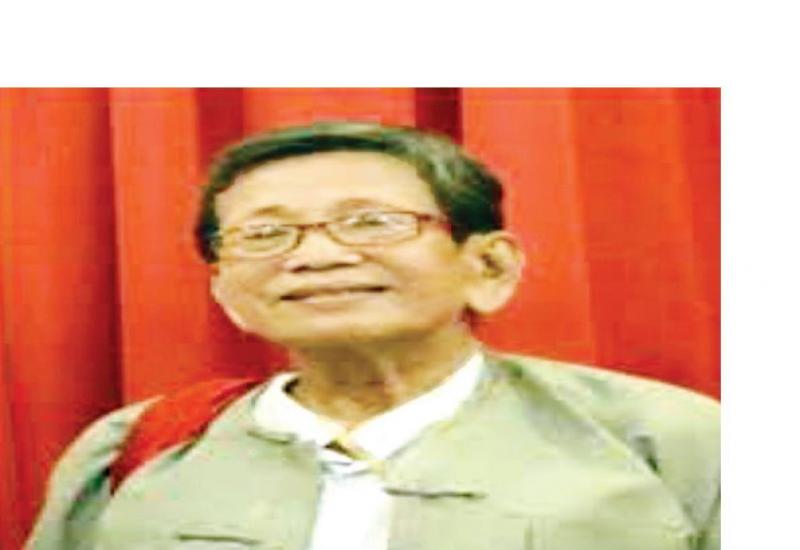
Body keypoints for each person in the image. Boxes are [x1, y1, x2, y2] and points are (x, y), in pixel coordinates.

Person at [26, 121, 720, 549]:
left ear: (488, 266)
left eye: (371, 222)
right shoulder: (139, 448)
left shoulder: (668, 441)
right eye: (265, 234)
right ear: (225, 291)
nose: (317, 255)